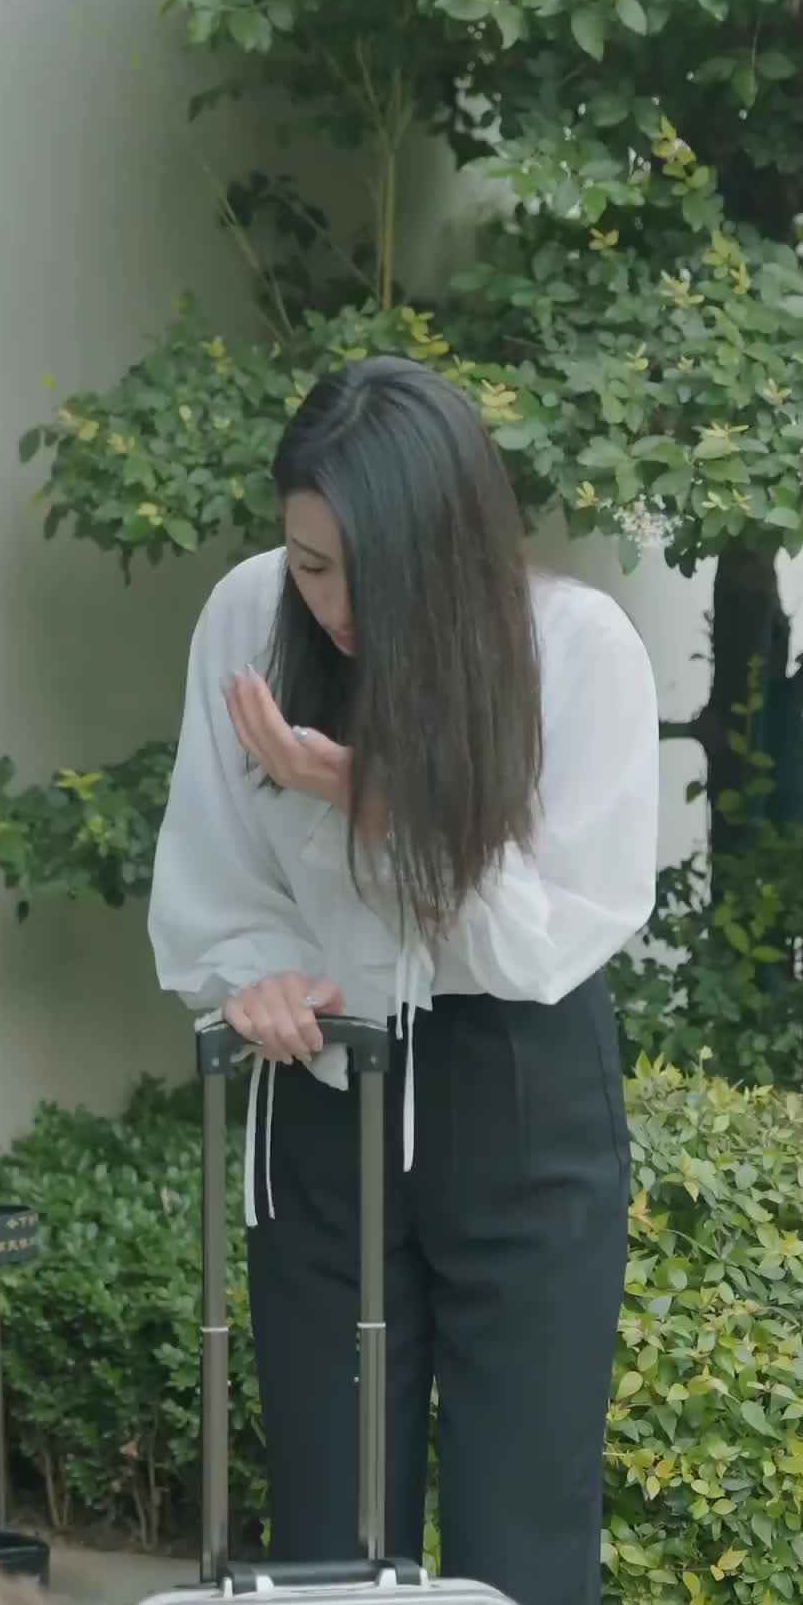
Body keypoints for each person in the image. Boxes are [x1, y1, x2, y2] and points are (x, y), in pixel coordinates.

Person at [148, 355, 659, 1605]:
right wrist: (256, 979)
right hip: (327, 1079)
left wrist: (372, 799)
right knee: (330, 1532)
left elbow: (550, 938)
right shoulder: (250, 615)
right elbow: (216, 866)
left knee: (524, 1533)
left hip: (520, 1092)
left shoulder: (573, 647)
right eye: (310, 564)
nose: (331, 603)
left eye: (362, 571)